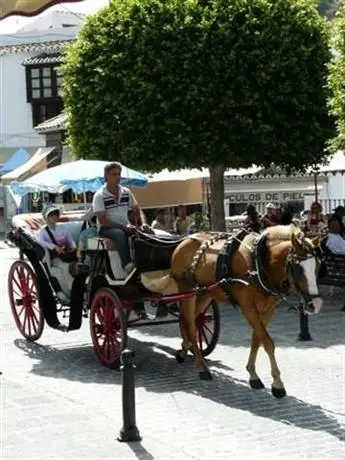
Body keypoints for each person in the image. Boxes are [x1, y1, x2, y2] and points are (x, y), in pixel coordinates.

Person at [92, 162, 144, 277]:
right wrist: (124, 227)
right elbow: (103, 221)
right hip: (106, 229)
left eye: (119, 174)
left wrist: (141, 224)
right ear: (106, 176)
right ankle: (126, 265)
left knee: (145, 233)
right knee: (119, 234)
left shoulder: (126, 192)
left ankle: (145, 262)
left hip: (125, 225)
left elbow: (136, 208)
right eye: (114, 174)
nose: (117, 177)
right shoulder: (99, 195)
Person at [36, 204, 76, 304]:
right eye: (51, 214)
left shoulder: (62, 228)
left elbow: (70, 239)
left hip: (67, 255)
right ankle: (71, 293)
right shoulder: (42, 231)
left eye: (55, 214)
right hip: (54, 259)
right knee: (65, 268)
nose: (54, 216)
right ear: (46, 217)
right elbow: (39, 241)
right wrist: (53, 246)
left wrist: (73, 246)